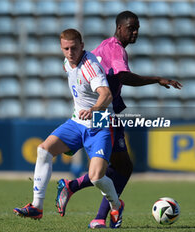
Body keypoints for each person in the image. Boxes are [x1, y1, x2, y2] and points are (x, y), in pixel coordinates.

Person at [55, 11, 182, 229]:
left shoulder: (104, 46)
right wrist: (157, 79)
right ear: (119, 28)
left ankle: (83, 199)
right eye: (131, 28)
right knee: (118, 168)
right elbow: (123, 76)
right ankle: (91, 208)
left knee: (120, 166)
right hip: (104, 115)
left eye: (137, 28)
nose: (135, 32)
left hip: (97, 113)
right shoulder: (116, 49)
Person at [13, 28, 124, 227]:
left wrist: (94, 108)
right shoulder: (67, 63)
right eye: (66, 48)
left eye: (74, 48)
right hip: (76, 122)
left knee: (96, 177)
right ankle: (37, 207)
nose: (70, 52)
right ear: (61, 48)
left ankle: (116, 205)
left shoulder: (90, 66)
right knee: (43, 150)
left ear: (82, 46)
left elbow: (106, 94)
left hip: (99, 124)